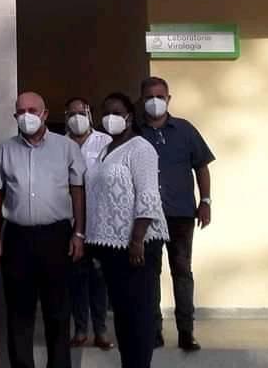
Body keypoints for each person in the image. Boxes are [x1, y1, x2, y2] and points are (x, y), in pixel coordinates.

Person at [0, 91, 86, 368]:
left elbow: (78, 190)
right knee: (19, 315)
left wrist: (79, 232)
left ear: (45, 114)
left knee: (57, 312)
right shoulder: (6, 149)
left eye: (33, 110)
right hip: (17, 239)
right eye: (21, 111)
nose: (26, 116)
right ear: (15, 116)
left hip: (57, 237)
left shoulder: (66, 147)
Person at [85, 93, 167, 368]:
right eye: (106, 112)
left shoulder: (140, 148)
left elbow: (147, 196)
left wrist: (137, 240)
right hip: (111, 247)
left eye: (117, 112)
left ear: (129, 116)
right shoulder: (106, 149)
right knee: (122, 313)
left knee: (139, 314)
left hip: (137, 245)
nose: (111, 117)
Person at [137, 77, 214, 352]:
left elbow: (202, 166)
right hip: (147, 216)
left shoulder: (185, 130)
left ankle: (186, 331)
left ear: (169, 99)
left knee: (182, 271)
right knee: (150, 274)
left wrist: (205, 201)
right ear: (141, 99)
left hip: (181, 214)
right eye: (149, 96)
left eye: (160, 96)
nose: (154, 101)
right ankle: (154, 331)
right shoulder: (135, 132)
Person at [63, 97, 114, 351]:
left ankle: (101, 331)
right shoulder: (59, 144)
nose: (76, 118)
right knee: (76, 279)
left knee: (99, 278)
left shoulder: (105, 142)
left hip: (99, 221)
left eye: (80, 112)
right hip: (71, 222)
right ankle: (81, 329)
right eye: (71, 114)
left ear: (89, 113)